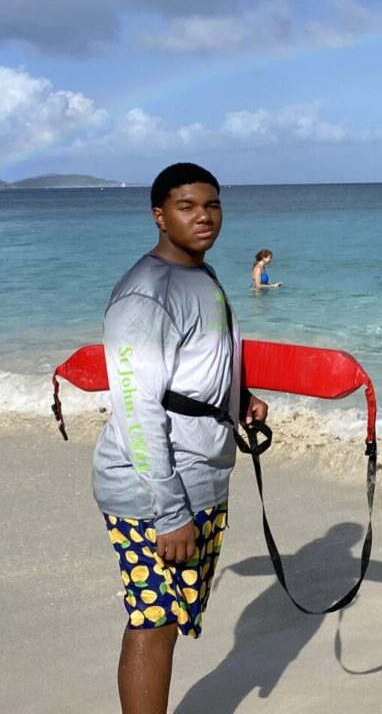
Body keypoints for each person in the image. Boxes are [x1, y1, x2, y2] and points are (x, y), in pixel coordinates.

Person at [92, 162, 268, 714]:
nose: (204, 217)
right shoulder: (146, 294)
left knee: (172, 613)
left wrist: (238, 397)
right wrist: (168, 512)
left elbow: (198, 361)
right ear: (159, 216)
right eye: (187, 206)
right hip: (155, 488)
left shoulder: (202, 274)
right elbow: (135, 407)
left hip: (202, 473)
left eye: (212, 204)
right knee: (154, 619)